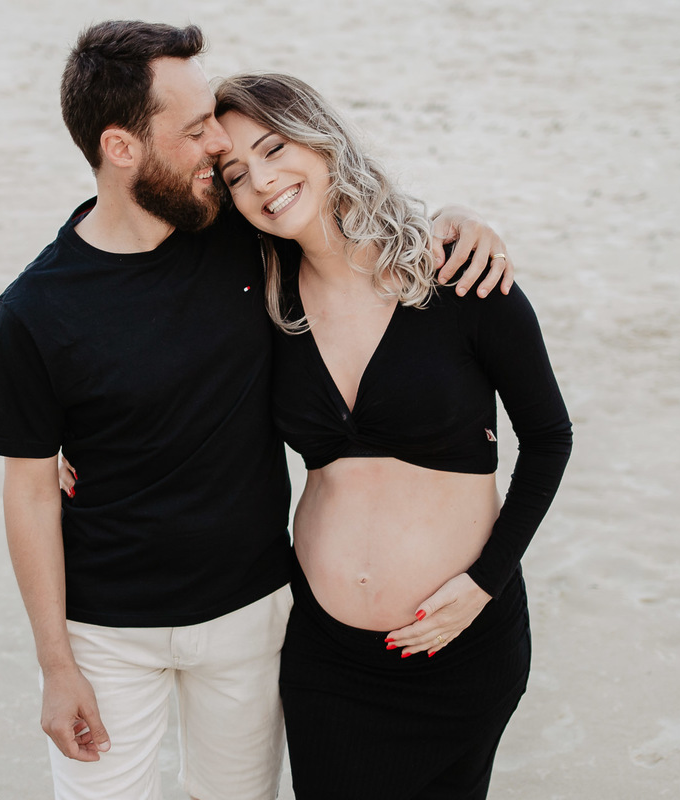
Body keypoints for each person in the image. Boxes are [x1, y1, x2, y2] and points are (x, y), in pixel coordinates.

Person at [0, 21, 514, 800]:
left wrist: (461, 218)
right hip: (107, 629)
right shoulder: (36, 309)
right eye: (195, 128)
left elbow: (345, 221)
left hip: (251, 612)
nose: (219, 147)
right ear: (122, 147)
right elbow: (29, 492)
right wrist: (55, 666)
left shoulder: (244, 232)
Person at [211, 73, 572, 799]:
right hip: (325, 655)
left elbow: (549, 439)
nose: (262, 180)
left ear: (322, 139)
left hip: (460, 644)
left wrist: (484, 585)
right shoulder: (263, 305)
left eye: (273, 148)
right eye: (235, 174)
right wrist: (75, 446)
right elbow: (156, 349)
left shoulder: (458, 277)